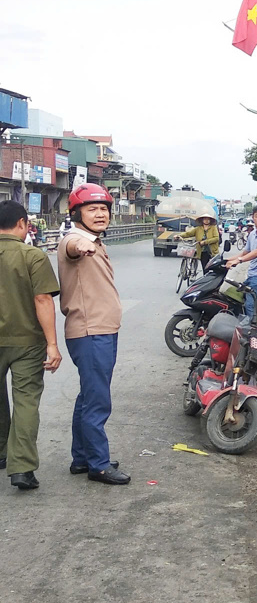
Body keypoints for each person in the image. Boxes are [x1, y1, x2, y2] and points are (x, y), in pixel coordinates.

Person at [58, 183, 129, 485]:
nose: (100, 214)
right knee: (98, 400)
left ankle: (82, 457)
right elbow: (73, 247)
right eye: (92, 209)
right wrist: (80, 246)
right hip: (91, 332)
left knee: (88, 395)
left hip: (100, 330)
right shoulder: (75, 240)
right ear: (77, 213)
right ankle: (98, 465)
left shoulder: (96, 241)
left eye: (104, 209)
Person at [0, 201, 62, 491]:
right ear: (23, 224)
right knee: (25, 401)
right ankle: (21, 469)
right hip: (27, 343)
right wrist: (52, 345)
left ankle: (2, 452)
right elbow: (43, 300)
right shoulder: (32, 256)